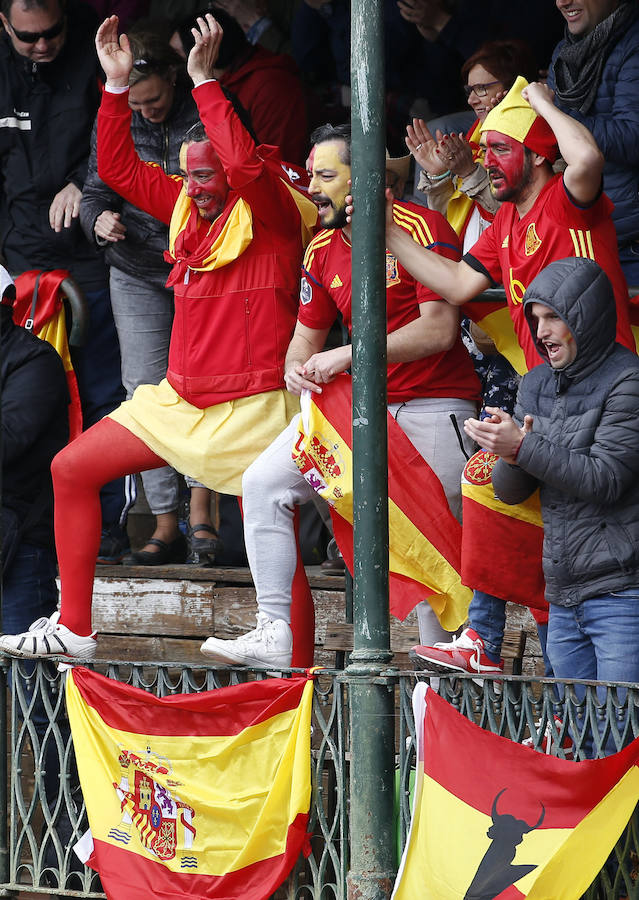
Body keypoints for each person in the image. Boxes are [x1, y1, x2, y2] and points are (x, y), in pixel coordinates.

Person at [0, 12, 317, 662]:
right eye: (188, 176)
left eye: (206, 176)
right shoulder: (180, 204)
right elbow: (115, 164)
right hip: (179, 400)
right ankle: (76, 628)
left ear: (233, 171)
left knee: (285, 529)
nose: (193, 188)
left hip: (254, 403)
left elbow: (245, 166)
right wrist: (114, 88)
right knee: (72, 468)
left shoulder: (275, 218)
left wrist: (204, 82)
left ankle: (295, 668)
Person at [199, 121, 481, 669]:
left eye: (326, 176)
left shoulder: (420, 226)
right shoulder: (322, 247)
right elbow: (303, 344)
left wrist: (350, 354)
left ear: (369, 179)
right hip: (359, 410)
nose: (312, 187)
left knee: (429, 573)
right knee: (262, 483)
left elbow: (439, 330)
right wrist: (295, 371)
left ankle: (440, 721)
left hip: (432, 407)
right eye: (310, 176)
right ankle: (274, 629)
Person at [383, 76, 635, 676]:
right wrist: (386, 233)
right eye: (484, 149)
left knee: (501, 488)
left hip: (602, 389)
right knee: (508, 498)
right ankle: (495, 645)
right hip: (545, 394)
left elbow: (590, 155)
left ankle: (484, 638)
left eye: (500, 147)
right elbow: (456, 285)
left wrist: (543, 102)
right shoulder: (503, 224)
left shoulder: (567, 197)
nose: (486, 161)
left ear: (538, 152)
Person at [470, 257, 639, 749]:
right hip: (562, 595)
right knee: (582, 744)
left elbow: (607, 478)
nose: (541, 332)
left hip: (622, 595)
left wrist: (522, 447)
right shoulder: (537, 383)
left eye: (553, 318)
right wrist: (507, 451)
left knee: (621, 742)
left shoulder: (629, 380)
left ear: (585, 317)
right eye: (535, 318)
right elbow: (510, 491)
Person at [80, 24, 218, 565]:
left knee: (205, 384)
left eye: (154, 98)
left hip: (204, 265)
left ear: (172, 77)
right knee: (144, 390)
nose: (146, 111)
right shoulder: (118, 117)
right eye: (134, 104)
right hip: (135, 266)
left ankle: (203, 513)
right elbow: (96, 185)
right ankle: (163, 521)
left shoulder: (204, 110)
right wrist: (99, 218)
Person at [0, 0, 130, 563]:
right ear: (3, 24)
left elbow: (125, 135)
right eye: (28, 38)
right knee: (23, 401)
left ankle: (104, 525)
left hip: (88, 254)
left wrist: (85, 184)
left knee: (100, 395)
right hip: (16, 262)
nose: (42, 46)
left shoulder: (97, 54)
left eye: (51, 33)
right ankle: (35, 526)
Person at [548, 0, 639, 284]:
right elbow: (549, 141)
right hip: (579, 239)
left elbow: (633, 137)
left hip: (631, 246)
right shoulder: (564, 51)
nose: (563, 2)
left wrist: (553, 113)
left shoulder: (634, 43)